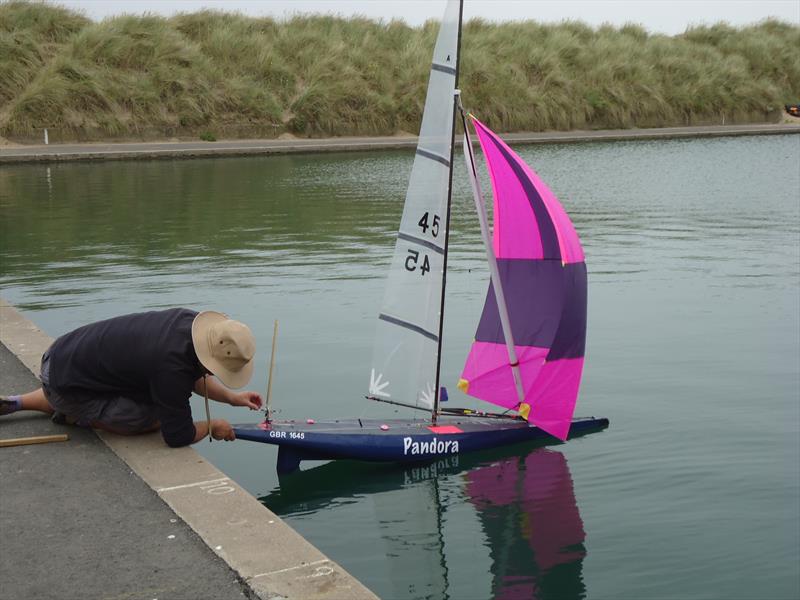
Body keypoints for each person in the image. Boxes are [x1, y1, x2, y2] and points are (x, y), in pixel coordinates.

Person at [0, 308, 263, 447]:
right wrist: (211, 426)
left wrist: (232, 398)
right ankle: (75, 415)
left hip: (60, 359)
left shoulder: (188, 324)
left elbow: (191, 374)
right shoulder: (170, 369)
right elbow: (177, 436)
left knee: (70, 387)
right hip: (67, 387)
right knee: (153, 418)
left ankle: (18, 402)